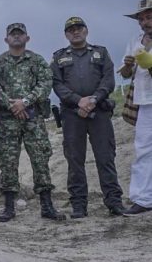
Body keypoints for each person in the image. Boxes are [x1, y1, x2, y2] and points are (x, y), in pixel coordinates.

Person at [51, 16, 125, 217]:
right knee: (75, 160)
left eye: (79, 28)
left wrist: (93, 99)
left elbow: (109, 80)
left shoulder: (101, 52)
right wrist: (78, 101)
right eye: (71, 29)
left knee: (105, 158)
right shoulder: (58, 57)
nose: (75, 31)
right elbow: (57, 84)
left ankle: (114, 202)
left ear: (86, 31)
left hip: (99, 111)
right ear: (66, 34)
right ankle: (78, 205)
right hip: (72, 114)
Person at [0, 23, 65, 222]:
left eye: (20, 34)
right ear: (6, 39)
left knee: (40, 160)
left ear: (27, 38)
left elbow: (45, 84)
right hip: (8, 119)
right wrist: (11, 105)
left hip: (33, 118)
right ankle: (8, 207)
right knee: (8, 162)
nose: (16, 37)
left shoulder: (37, 61)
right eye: (12, 34)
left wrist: (24, 102)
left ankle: (47, 205)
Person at [120, 0, 152, 216]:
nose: (144, 22)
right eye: (141, 19)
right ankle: (143, 198)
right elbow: (124, 74)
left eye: (148, 17)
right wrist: (129, 65)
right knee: (143, 150)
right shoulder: (135, 40)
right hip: (144, 101)